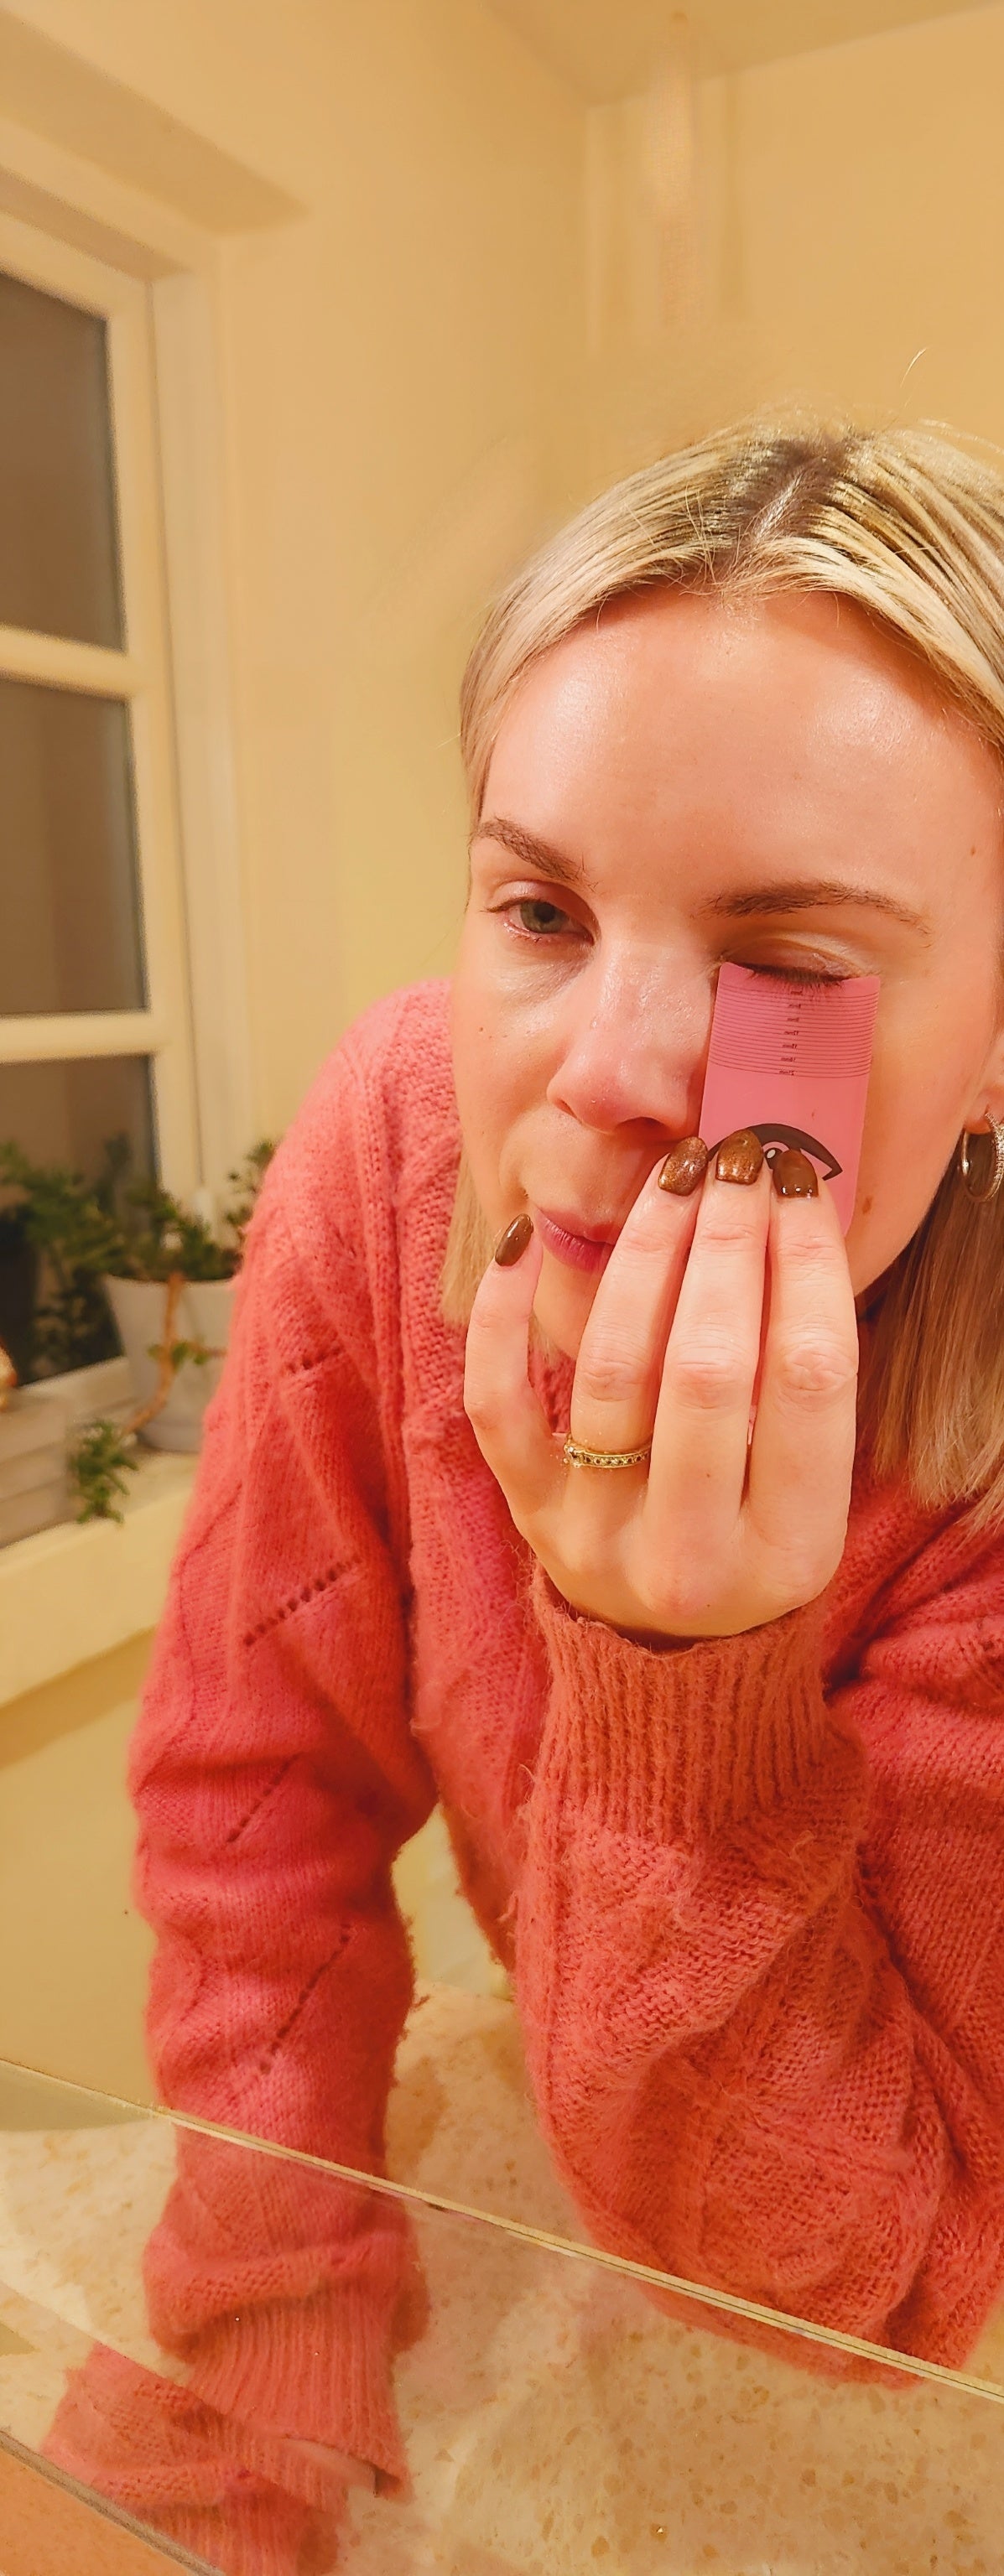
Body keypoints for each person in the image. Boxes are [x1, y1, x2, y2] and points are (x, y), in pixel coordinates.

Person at [47, 417, 1004, 2565]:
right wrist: (277, 2314)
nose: (602, 1072)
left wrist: (682, 1687)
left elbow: (852, 2294)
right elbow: (260, 1793)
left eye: (788, 964)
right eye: (539, 910)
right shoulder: (402, 1135)